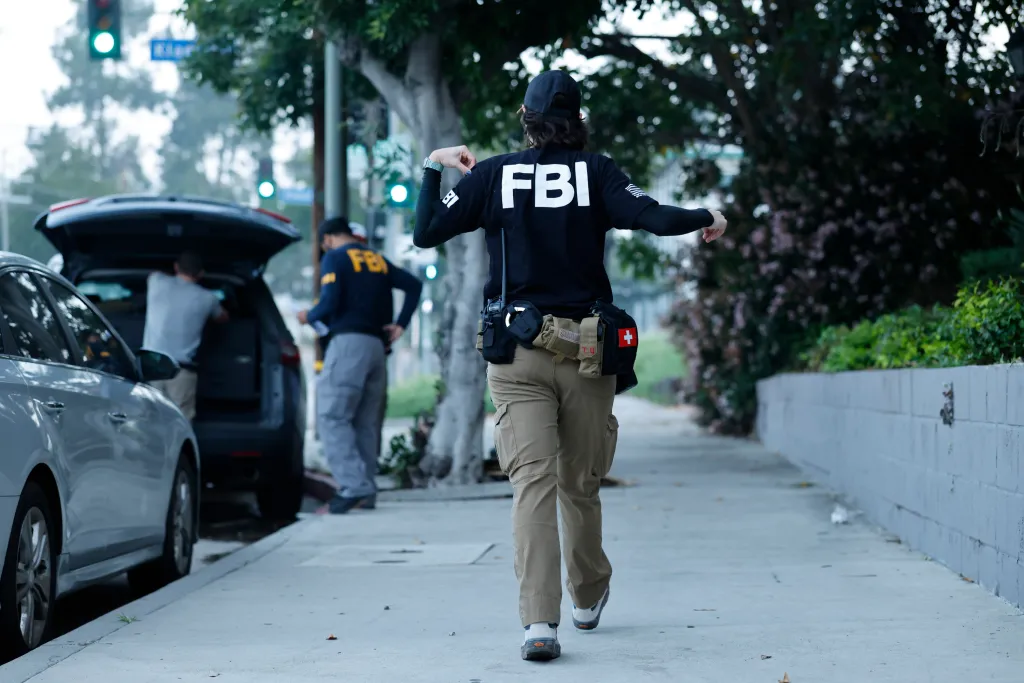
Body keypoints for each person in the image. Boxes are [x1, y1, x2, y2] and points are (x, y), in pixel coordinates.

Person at [411, 69, 727, 662]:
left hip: (515, 354)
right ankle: (587, 596)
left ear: (526, 121)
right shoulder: (600, 173)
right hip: (588, 353)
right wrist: (708, 216)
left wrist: (435, 165)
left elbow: (426, 232)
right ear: (578, 120)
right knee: (578, 486)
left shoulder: (492, 175)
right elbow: (655, 217)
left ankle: (538, 625)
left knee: (530, 485)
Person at [298, 217, 423, 514]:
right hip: (377, 347)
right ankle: (366, 491)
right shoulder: (376, 258)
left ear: (327, 238)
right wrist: (401, 324)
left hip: (348, 344)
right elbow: (414, 286)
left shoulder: (335, 257)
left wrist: (308, 316)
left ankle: (354, 487)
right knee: (367, 422)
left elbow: (328, 304)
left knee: (330, 415)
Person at [143, 251, 229, 420]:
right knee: (179, 423)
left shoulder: (156, 281)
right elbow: (223, 318)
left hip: (151, 366)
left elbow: (154, 273)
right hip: (180, 371)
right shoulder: (208, 298)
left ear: (176, 267)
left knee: (149, 420)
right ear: (201, 273)